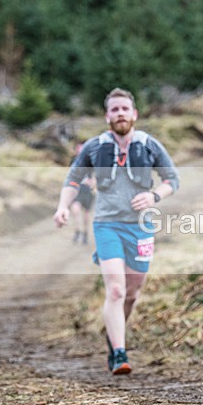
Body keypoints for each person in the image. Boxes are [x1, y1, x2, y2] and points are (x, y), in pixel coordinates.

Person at [53, 88, 179, 375]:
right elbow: (73, 179)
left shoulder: (149, 145)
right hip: (106, 224)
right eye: (114, 109)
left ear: (134, 114)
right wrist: (62, 207)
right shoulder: (95, 147)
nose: (120, 113)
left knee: (132, 293)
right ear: (107, 116)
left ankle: (114, 336)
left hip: (142, 227)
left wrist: (154, 195)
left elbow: (172, 179)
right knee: (116, 289)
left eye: (124, 109)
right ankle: (119, 354)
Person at [69, 141, 95, 245]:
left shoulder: (91, 161)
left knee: (86, 216)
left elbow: (95, 177)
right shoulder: (73, 161)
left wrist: (92, 183)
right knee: (75, 210)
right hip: (76, 189)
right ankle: (77, 231)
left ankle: (85, 233)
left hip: (87, 190)